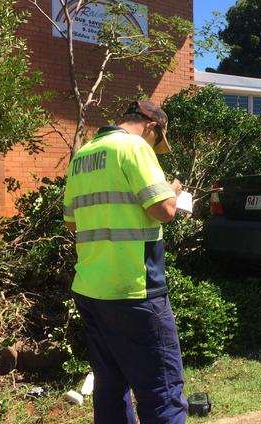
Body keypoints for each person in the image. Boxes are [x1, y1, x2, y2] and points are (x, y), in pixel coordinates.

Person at [63, 100, 188, 423]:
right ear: (151, 127)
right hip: (134, 289)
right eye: (157, 140)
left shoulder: (83, 155)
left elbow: (72, 223)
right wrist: (172, 191)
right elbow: (164, 210)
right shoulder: (133, 147)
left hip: (91, 288)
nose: (154, 147)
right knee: (161, 388)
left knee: (110, 386)